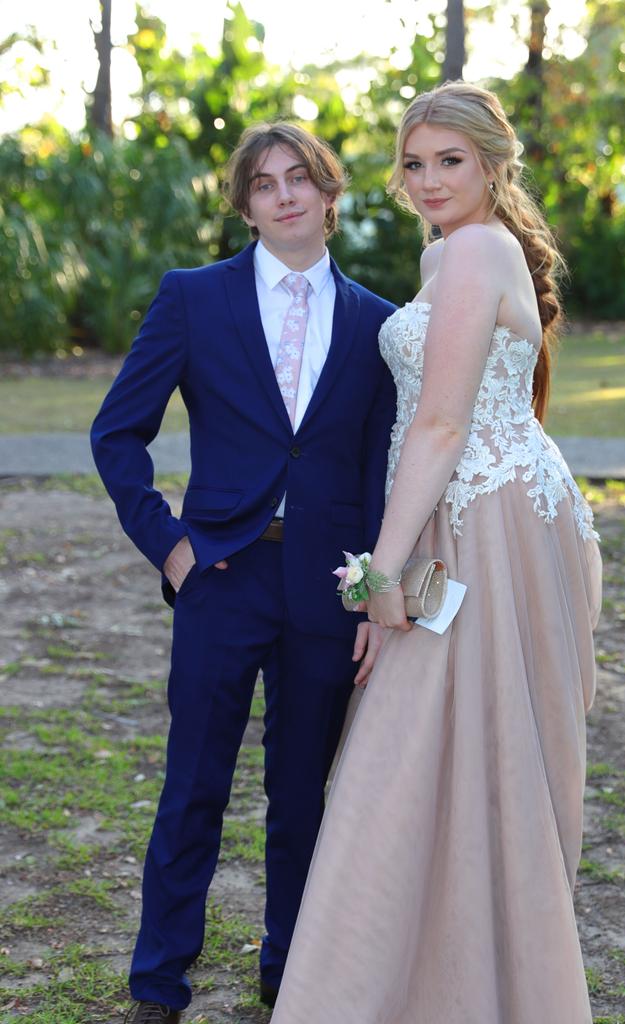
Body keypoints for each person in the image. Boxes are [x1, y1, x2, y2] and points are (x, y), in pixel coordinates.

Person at [270, 82, 603, 1024]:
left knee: (435, 746)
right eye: (413, 164)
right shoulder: (448, 255)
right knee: (437, 748)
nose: (427, 181)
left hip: (491, 528)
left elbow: (443, 420)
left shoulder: (478, 249)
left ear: (494, 163)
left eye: (447, 161)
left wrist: (380, 573)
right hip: (463, 523)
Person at [90, 122, 396, 1023]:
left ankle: (288, 970)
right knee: (193, 786)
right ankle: (158, 982)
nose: (285, 196)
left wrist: (375, 593)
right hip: (220, 574)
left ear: (331, 194)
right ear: (246, 205)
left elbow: (380, 469)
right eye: (265, 185)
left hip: (329, 589)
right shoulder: (194, 298)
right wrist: (173, 546)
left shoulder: (380, 325)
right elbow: (117, 434)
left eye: (301, 178)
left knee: (303, 796)